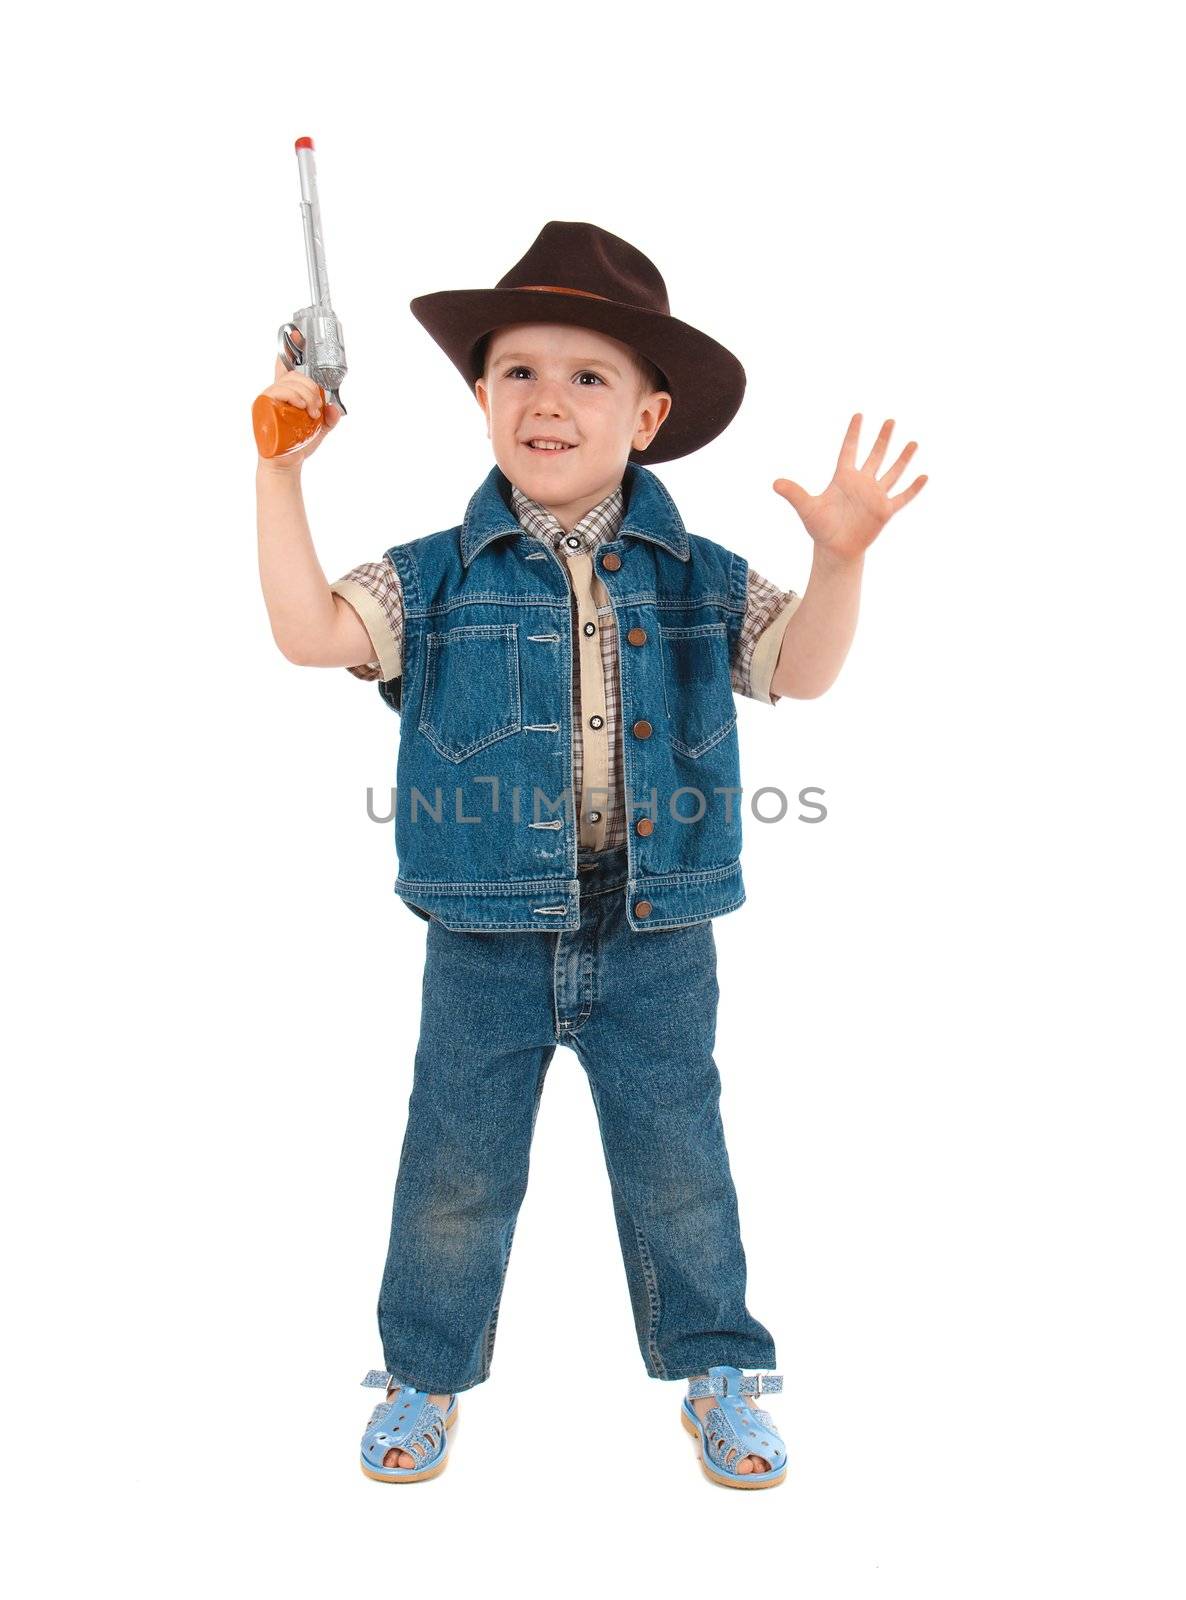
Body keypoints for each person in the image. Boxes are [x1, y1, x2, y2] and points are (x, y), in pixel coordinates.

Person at [254, 220, 927, 1489]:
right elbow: (304, 630)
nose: (546, 401)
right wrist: (278, 475)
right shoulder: (435, 579)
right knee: (455, 1163)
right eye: (518, 372)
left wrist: (836, 561)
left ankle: (718, 1367)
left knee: (680, 1161)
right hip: (484, 928)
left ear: (650, 414)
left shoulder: (695, 575)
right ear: (479, 398)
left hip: (656, 926)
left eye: (587, 376)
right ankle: (424, 1368)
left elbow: (803, 669)